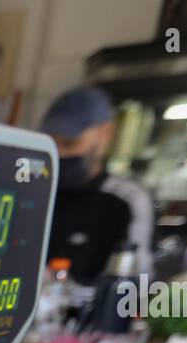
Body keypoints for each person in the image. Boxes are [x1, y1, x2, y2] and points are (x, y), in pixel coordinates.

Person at [40, 86, 154, 286]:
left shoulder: (127, 200)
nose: (59, 154)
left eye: (69, 143)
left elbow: (136, 281)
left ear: (104, 133)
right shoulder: (37, 188)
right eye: (52, 143)